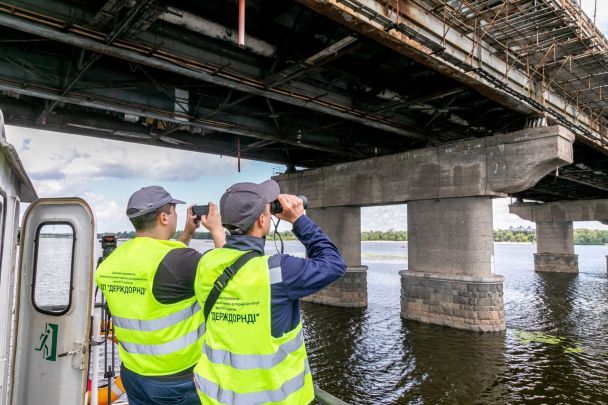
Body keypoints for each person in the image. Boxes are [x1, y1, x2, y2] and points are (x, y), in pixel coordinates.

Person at [192, 179, 346, 404]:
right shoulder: (278, 271)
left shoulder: (206, 263)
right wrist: (298, 219)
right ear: (264, 219)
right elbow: (334, 264)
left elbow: (228, 256)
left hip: (217, 396)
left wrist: (217, 230)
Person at [95, 185, 225, 405]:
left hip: (133, 375)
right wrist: (217, 231)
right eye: (174, 211)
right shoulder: (180, 261)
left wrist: (188, 234)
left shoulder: (109, 264)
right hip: (177, 380)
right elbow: (230, 274)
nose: (176, 215)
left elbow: (165, 264)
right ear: (164, 218)